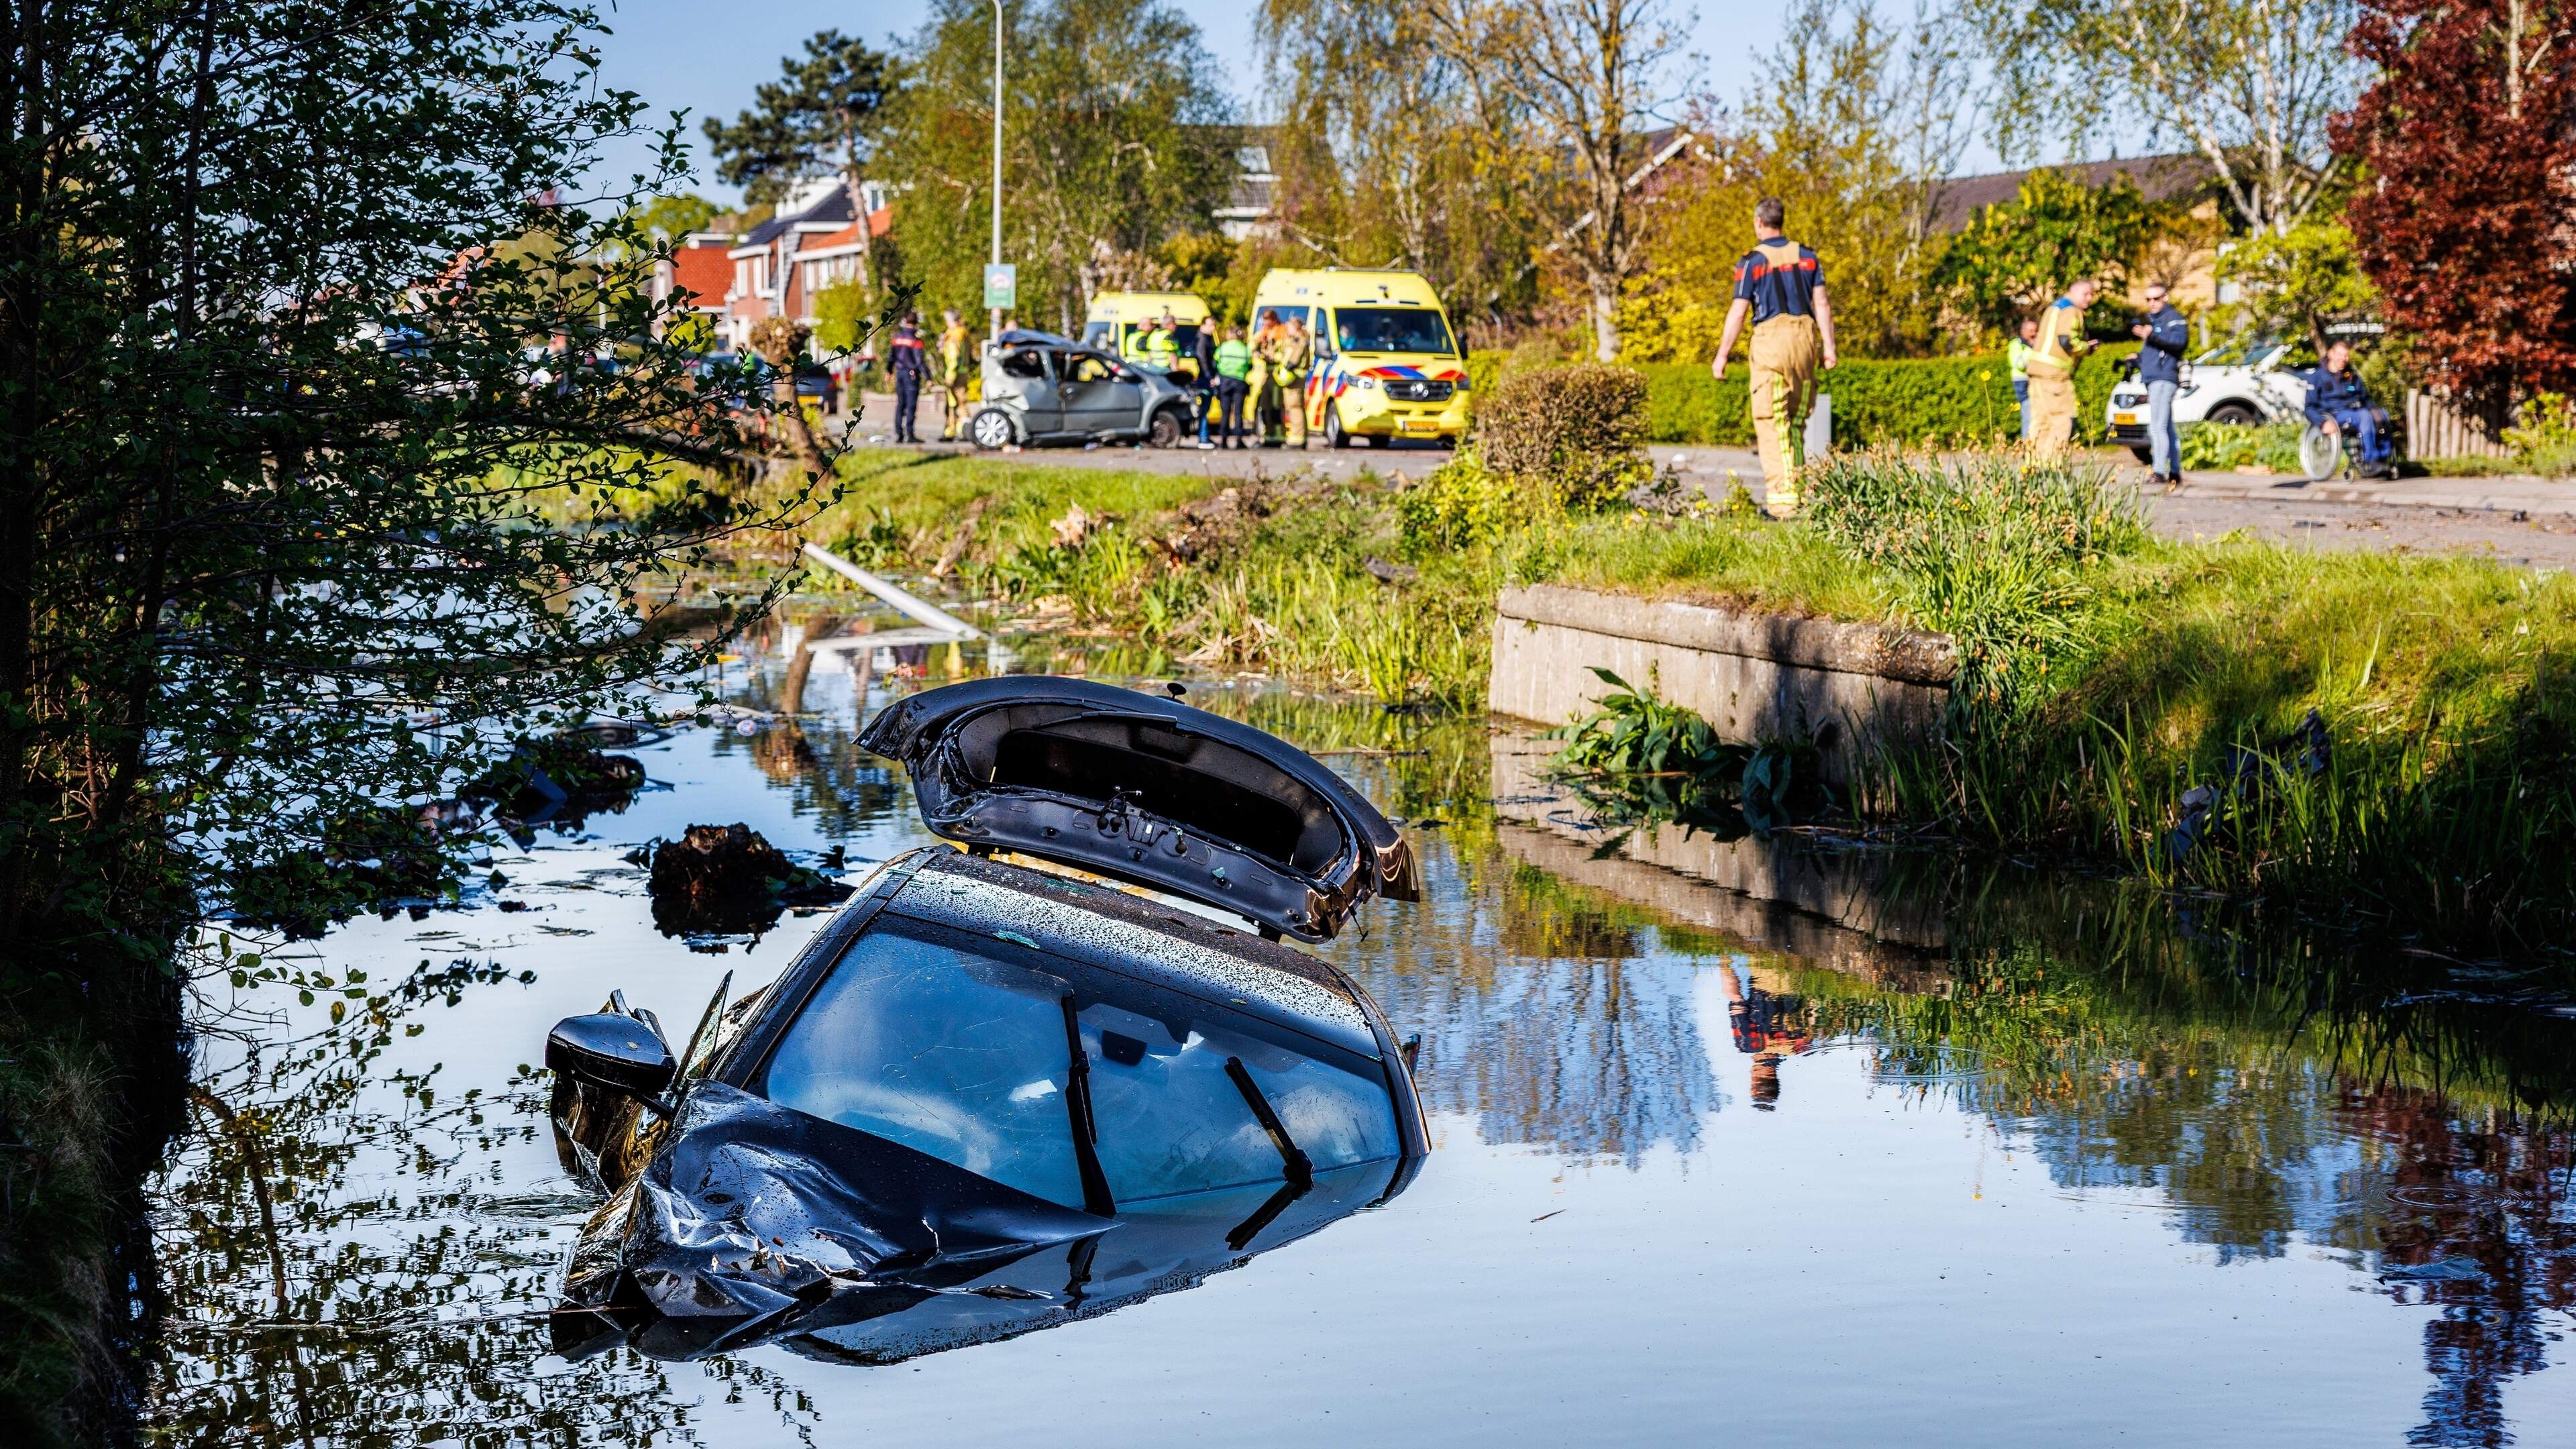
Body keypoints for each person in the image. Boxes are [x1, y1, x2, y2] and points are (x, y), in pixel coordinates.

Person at [1711, 196, 1837, 519]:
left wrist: (1722, 355)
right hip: (1806, 339)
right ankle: (1801, 494)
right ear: (1781, 221)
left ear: (1759, 222)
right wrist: (1829, 348)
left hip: (1771, 340)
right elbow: (1822, 304)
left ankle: (1783, 504)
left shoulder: (1752, 262)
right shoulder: (1808, 256)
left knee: (1771, 421)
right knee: (1796, 422)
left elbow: (1739, 311)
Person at [2025, 278, 2097, 460]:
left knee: (2041, 421)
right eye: (2086, 294)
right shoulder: (2072, 310)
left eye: (2092, 295)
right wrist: (2087, 348)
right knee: (2062, 420)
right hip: (2055, 376)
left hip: (2037, 372)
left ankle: (2034, 466)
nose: (2089, 298)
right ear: (2073, 292)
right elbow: (2067, 341)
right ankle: (2053, 466)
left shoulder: (2054, 308)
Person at [2306, 339, 2394, 479]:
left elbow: (2365, 398)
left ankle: (2383, 460)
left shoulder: (2351, 376)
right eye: (2340, 355)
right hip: (2334, 414)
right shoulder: (2317, 377)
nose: (2343, 359)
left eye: (2346, 355)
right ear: (2331, 354)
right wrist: (2323, 423)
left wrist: (2376, 412)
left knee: (2382, 414)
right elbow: (2309, 408)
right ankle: (2370, 461)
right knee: (2364, 416)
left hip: (2355, 411)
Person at [2130, 282, 2190, 487]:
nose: (2152, 303)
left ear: (2166, 297)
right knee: (2167, 427)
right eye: (2148, 299)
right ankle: (2174, 471)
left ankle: (2159, 472)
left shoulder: (2173, 318)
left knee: (2157, 426)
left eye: (2156, 298)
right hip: (2154, 378)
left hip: (2163, 379)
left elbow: (2178, 344)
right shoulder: (2155, 321)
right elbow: (2156, 353)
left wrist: (2152, 336)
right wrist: (2137, 359)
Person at [1273, 312, 1313, 447]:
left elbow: (1294, 359)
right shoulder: (1295, 339)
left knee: (1295, 407)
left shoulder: (1300, 340)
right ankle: (1298, 437)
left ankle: (1298, 439)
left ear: (1296, 327)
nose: (1287, 328)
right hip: (1294, 377)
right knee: (1293, 406)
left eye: (1289, 326)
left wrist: (1287, 367)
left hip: (1296, 377)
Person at [887, 313, 927, 445]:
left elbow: (891, 357)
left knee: (900, 404)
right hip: (911, 374)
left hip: (900, 373)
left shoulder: (897, 338)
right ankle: (910, 434)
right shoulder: (916, 340)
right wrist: (928, 377)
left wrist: (889, 371)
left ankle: (899, 434)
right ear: (916, 324)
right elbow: (920, 361)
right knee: (911, 405)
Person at [936, 309, 975, 443]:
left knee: (958, 403)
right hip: (962, 372)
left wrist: (951, 375)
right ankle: (954, 430)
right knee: (955, 403)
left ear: (950, 320)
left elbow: (954, 357)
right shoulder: (963, 333)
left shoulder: (954, 335)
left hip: (955, 373)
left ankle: (964, 431)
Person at [1213, 323, 1252, 449]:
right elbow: (1249, 365)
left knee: (1225, 412)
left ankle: (1223, 440)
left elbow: (1216, 362)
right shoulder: (1245, 349)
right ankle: (1239, 440)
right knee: (1239, 412)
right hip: (1240, 381)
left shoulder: (1223, 347)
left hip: (1225, 381)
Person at [1247, 309, 1283, 445]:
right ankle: (1268, 434)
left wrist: (1268, 356)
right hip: (1265, 374)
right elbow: (1251, 346)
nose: (1265, 323)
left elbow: (1283, 355)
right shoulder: (1263, 332)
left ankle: (1278, 435)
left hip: (1277, 374)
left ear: (1273, 320)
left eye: (1267, 320)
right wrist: (1256, 347)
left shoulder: (1282, 332)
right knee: (1264, 406)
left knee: (1276, 406)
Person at [1191, 318, 1221, 449]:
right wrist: (1209, 377)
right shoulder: (1202, 340)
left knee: (1206, 407)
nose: (1213, 328)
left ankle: (1205, 436)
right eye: (1210, 325)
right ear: (1202, 325)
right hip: (1205, 378)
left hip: (1206, 377)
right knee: (1204, 408)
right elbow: (1202, 359)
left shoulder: (1207, 338)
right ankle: (1203, 438)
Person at [2007, 315, 2039, 440]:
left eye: (2036, 331)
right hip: (2022, 382)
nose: (2034, 334)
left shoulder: (2035, 344)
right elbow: (2019, 364)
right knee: (2028, 413)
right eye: (2031, 331)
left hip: (2035, 380)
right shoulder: (2016, 345)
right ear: (2023, 331)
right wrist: (2032, 349)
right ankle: (2027, 442)